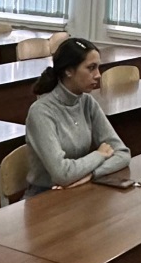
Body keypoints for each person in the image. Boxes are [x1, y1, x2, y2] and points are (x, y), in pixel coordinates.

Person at [23, 38, 132, 195]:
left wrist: (91, 174)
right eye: (91, 68)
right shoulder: (41, 112)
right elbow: (62, 174)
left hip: (79, 187)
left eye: (98, 67)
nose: (98, 75)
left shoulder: (87, 102)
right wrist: (99, 154)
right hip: (45, 196)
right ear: (69, 71)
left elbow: (123, 154)